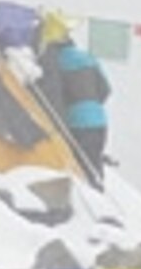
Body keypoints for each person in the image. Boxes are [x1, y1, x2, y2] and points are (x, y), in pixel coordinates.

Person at [37, 16, 112, 182]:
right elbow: (105, 89)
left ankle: (92, 197)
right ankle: (99, 196)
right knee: (95, 167)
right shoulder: (88, 57)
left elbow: (52, 95)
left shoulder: (53, 62)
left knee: (82, 172)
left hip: (76, 123)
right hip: (99, 121)